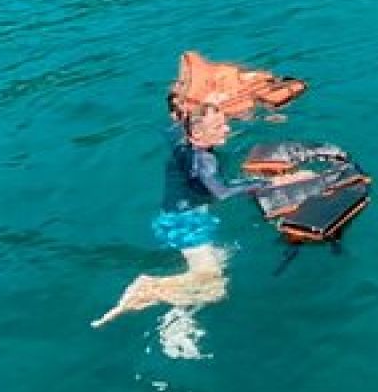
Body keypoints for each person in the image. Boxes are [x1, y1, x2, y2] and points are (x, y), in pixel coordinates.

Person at [91, 107, 272, 332]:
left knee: (220, 260)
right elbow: (222, 193)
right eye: (218, 126)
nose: (227, 129)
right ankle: (151, 287)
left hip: (174, 218)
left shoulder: (181, 146)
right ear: (196, 134)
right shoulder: (205, 159)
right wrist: (262, 184)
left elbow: (169, 130)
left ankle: (175, 308)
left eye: (225, 122)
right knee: (215, 290)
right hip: (188, 225)